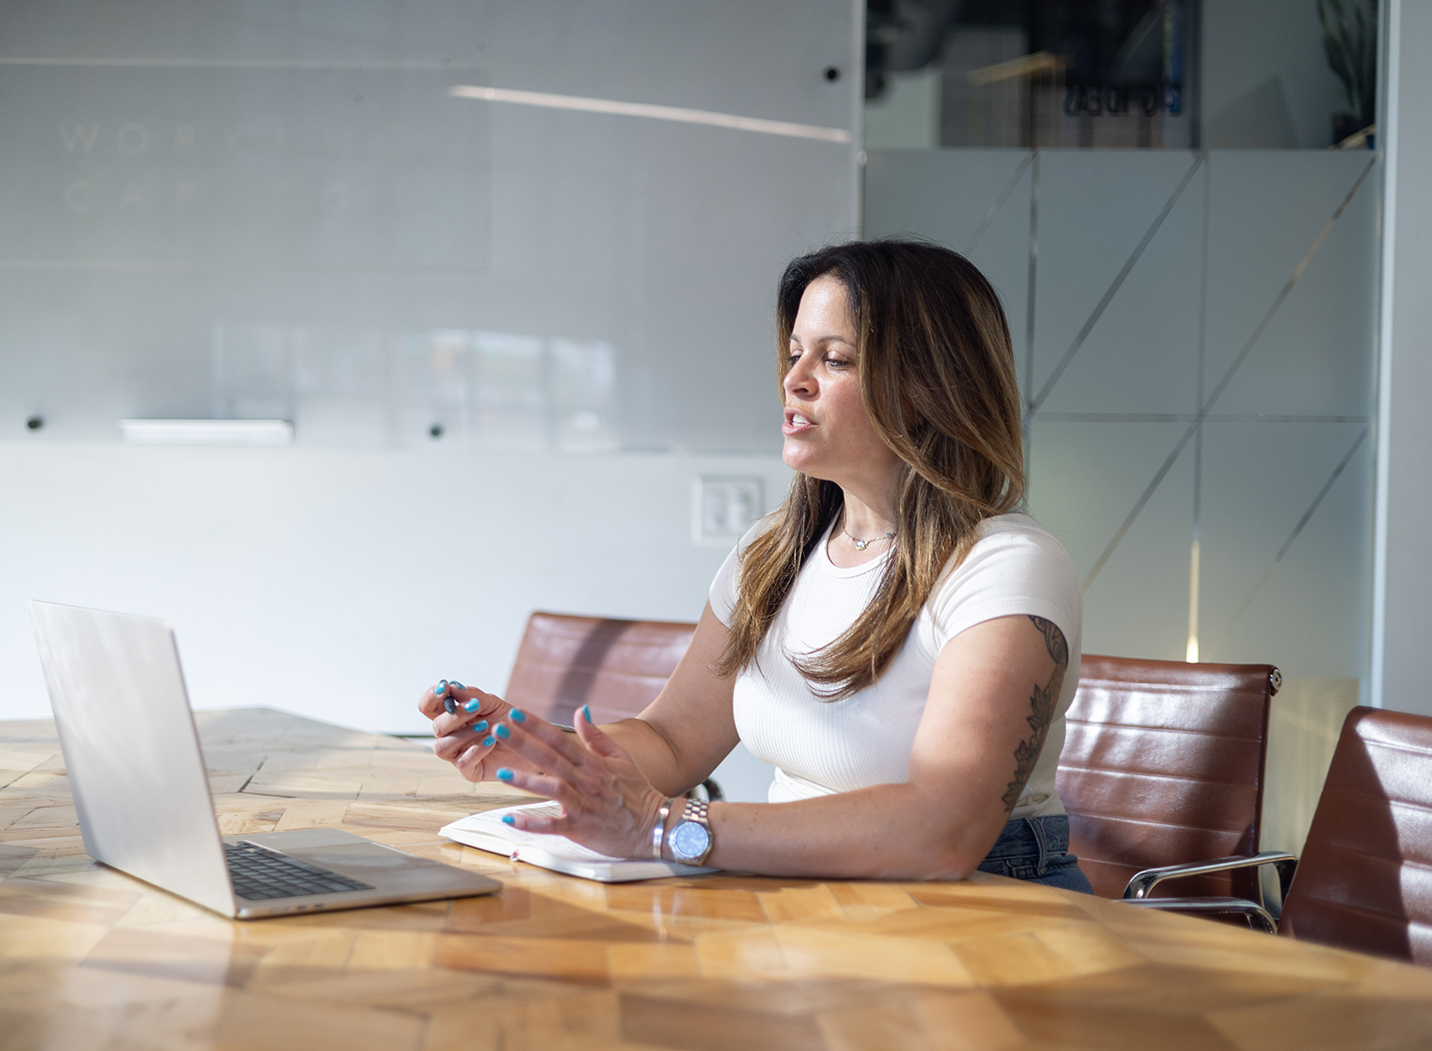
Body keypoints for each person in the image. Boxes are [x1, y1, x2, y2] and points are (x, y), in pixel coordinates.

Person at [417, 240, 1090, 890]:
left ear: (928, 385)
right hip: (809, 898)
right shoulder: (771, 554)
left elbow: (943, 830)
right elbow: (672, 740)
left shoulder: (1005, 567)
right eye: (796, 353)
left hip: (986, 906)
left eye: (835, 359)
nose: (793, 380)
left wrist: (665, 826)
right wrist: (545, 752)